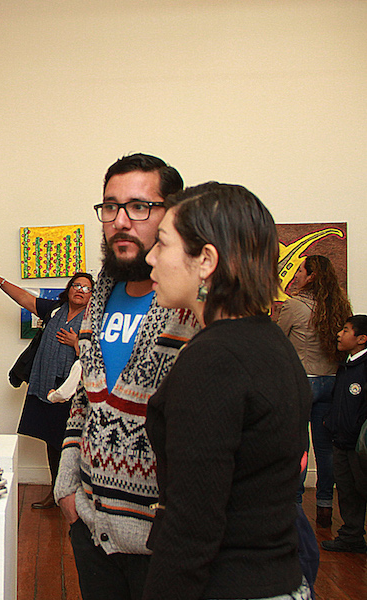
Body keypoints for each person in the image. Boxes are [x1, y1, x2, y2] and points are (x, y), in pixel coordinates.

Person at [142, 181, 311, 600]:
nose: (151, 258)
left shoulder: (214, 360)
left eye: (162, 244)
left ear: (206, 261)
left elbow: (192, 526)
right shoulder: (269, 342)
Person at [53, 153, 195, 600]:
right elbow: (85, 401)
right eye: (110, 207)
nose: (120, 221)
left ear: (171, 214)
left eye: (139, 207)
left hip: (163, 544)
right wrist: (66, 487)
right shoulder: (98, 296)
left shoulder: (190, 307)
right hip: (92, 529)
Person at [0, 255, 93, 509]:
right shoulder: (54, 310)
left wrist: (76, 344)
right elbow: (25, 299)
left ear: (93, 296)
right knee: (50, 439)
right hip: (46, 385)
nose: (81, 290)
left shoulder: (94, 320)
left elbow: (99, 356)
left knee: (71, 442)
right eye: (77, 285)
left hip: (72, 393)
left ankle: (78, 495)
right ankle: (57, 493)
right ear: (68, 290)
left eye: (87, 288)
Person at [278, 254, 352, 527]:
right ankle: (323, 507)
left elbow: (278, 341)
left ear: (310, 276)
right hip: (331, 381)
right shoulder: (339, 305)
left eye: (300, 270)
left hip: (302, 382)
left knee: (299, 446)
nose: (295, 275)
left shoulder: (294, 306)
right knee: (325, 449)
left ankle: (296, 506)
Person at [321, 314, 367, 553]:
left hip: (359, 447)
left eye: (346, 330)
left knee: (361, 488)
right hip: (340, 441)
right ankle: (352, 536)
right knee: (347, 492)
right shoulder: (346, 366)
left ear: (361, 339)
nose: (339, 333)